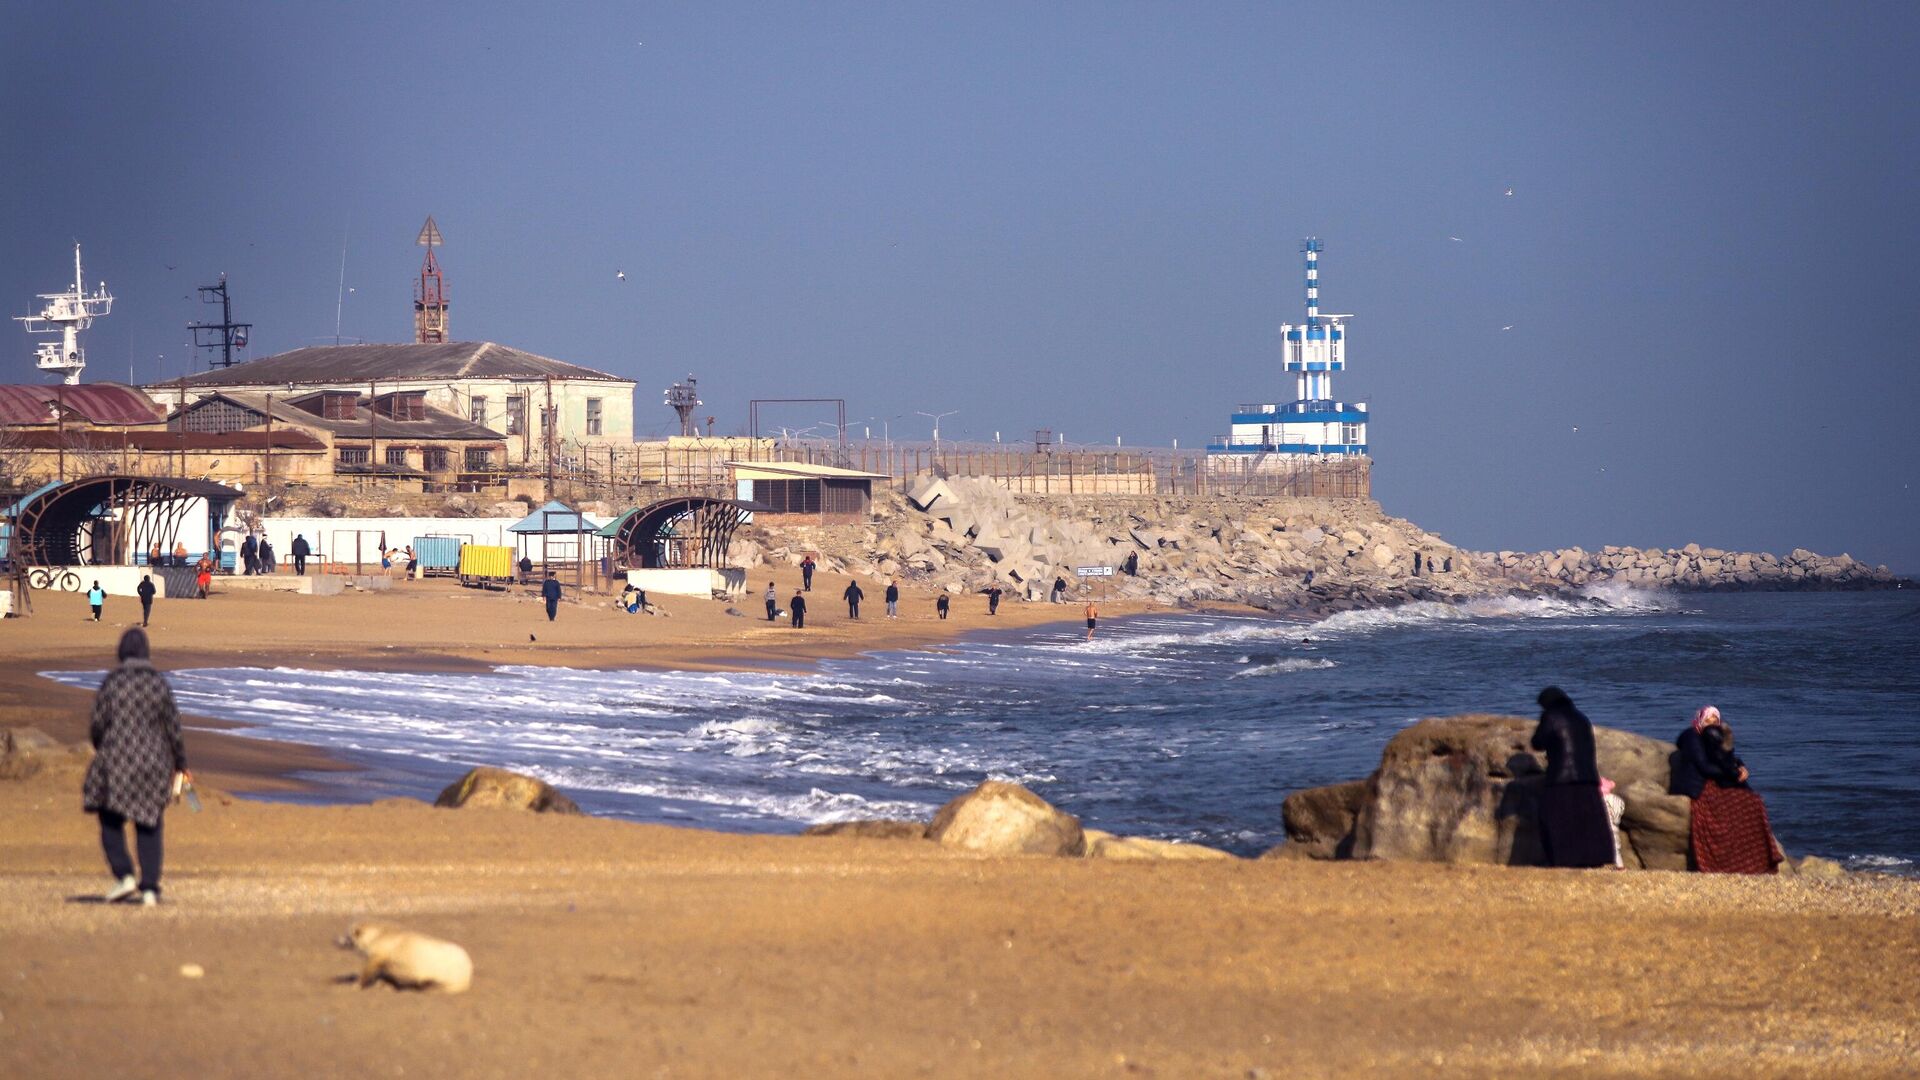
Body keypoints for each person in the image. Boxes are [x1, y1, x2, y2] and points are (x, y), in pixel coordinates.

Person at [83, 628, 188, 907]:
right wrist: (181, 763)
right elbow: (173, 728)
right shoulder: (158, 683)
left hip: (116, 760)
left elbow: (97, 724)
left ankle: (125, 874)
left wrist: (102, 745)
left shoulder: (113, 682)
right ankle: (150, 888)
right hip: (154, 763)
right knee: (149, 824)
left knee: (110, 818)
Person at [1671, 706, 1782, 874]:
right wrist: (1734, 773)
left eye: (1715, 720)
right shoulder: (1691, 736)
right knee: (1735, 805)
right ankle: (1726, 863)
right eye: (1708, 720)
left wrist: (1740, 766)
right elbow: (1704, 766)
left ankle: (1757, 861)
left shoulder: (1714, 737)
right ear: (1700, 720)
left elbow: (1725, 756)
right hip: (1699, 786)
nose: (1712, 724)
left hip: (1715, 780)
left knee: (1754, 801)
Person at [1528, 687, 1616, 869]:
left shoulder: (1551, 716)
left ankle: (1562, 859)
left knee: (1556, 819)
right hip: (1588, 777)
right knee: (1588, 821)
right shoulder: (1582, 718)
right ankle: (1593, 858)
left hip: (1561, 778)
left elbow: (1537, 742)